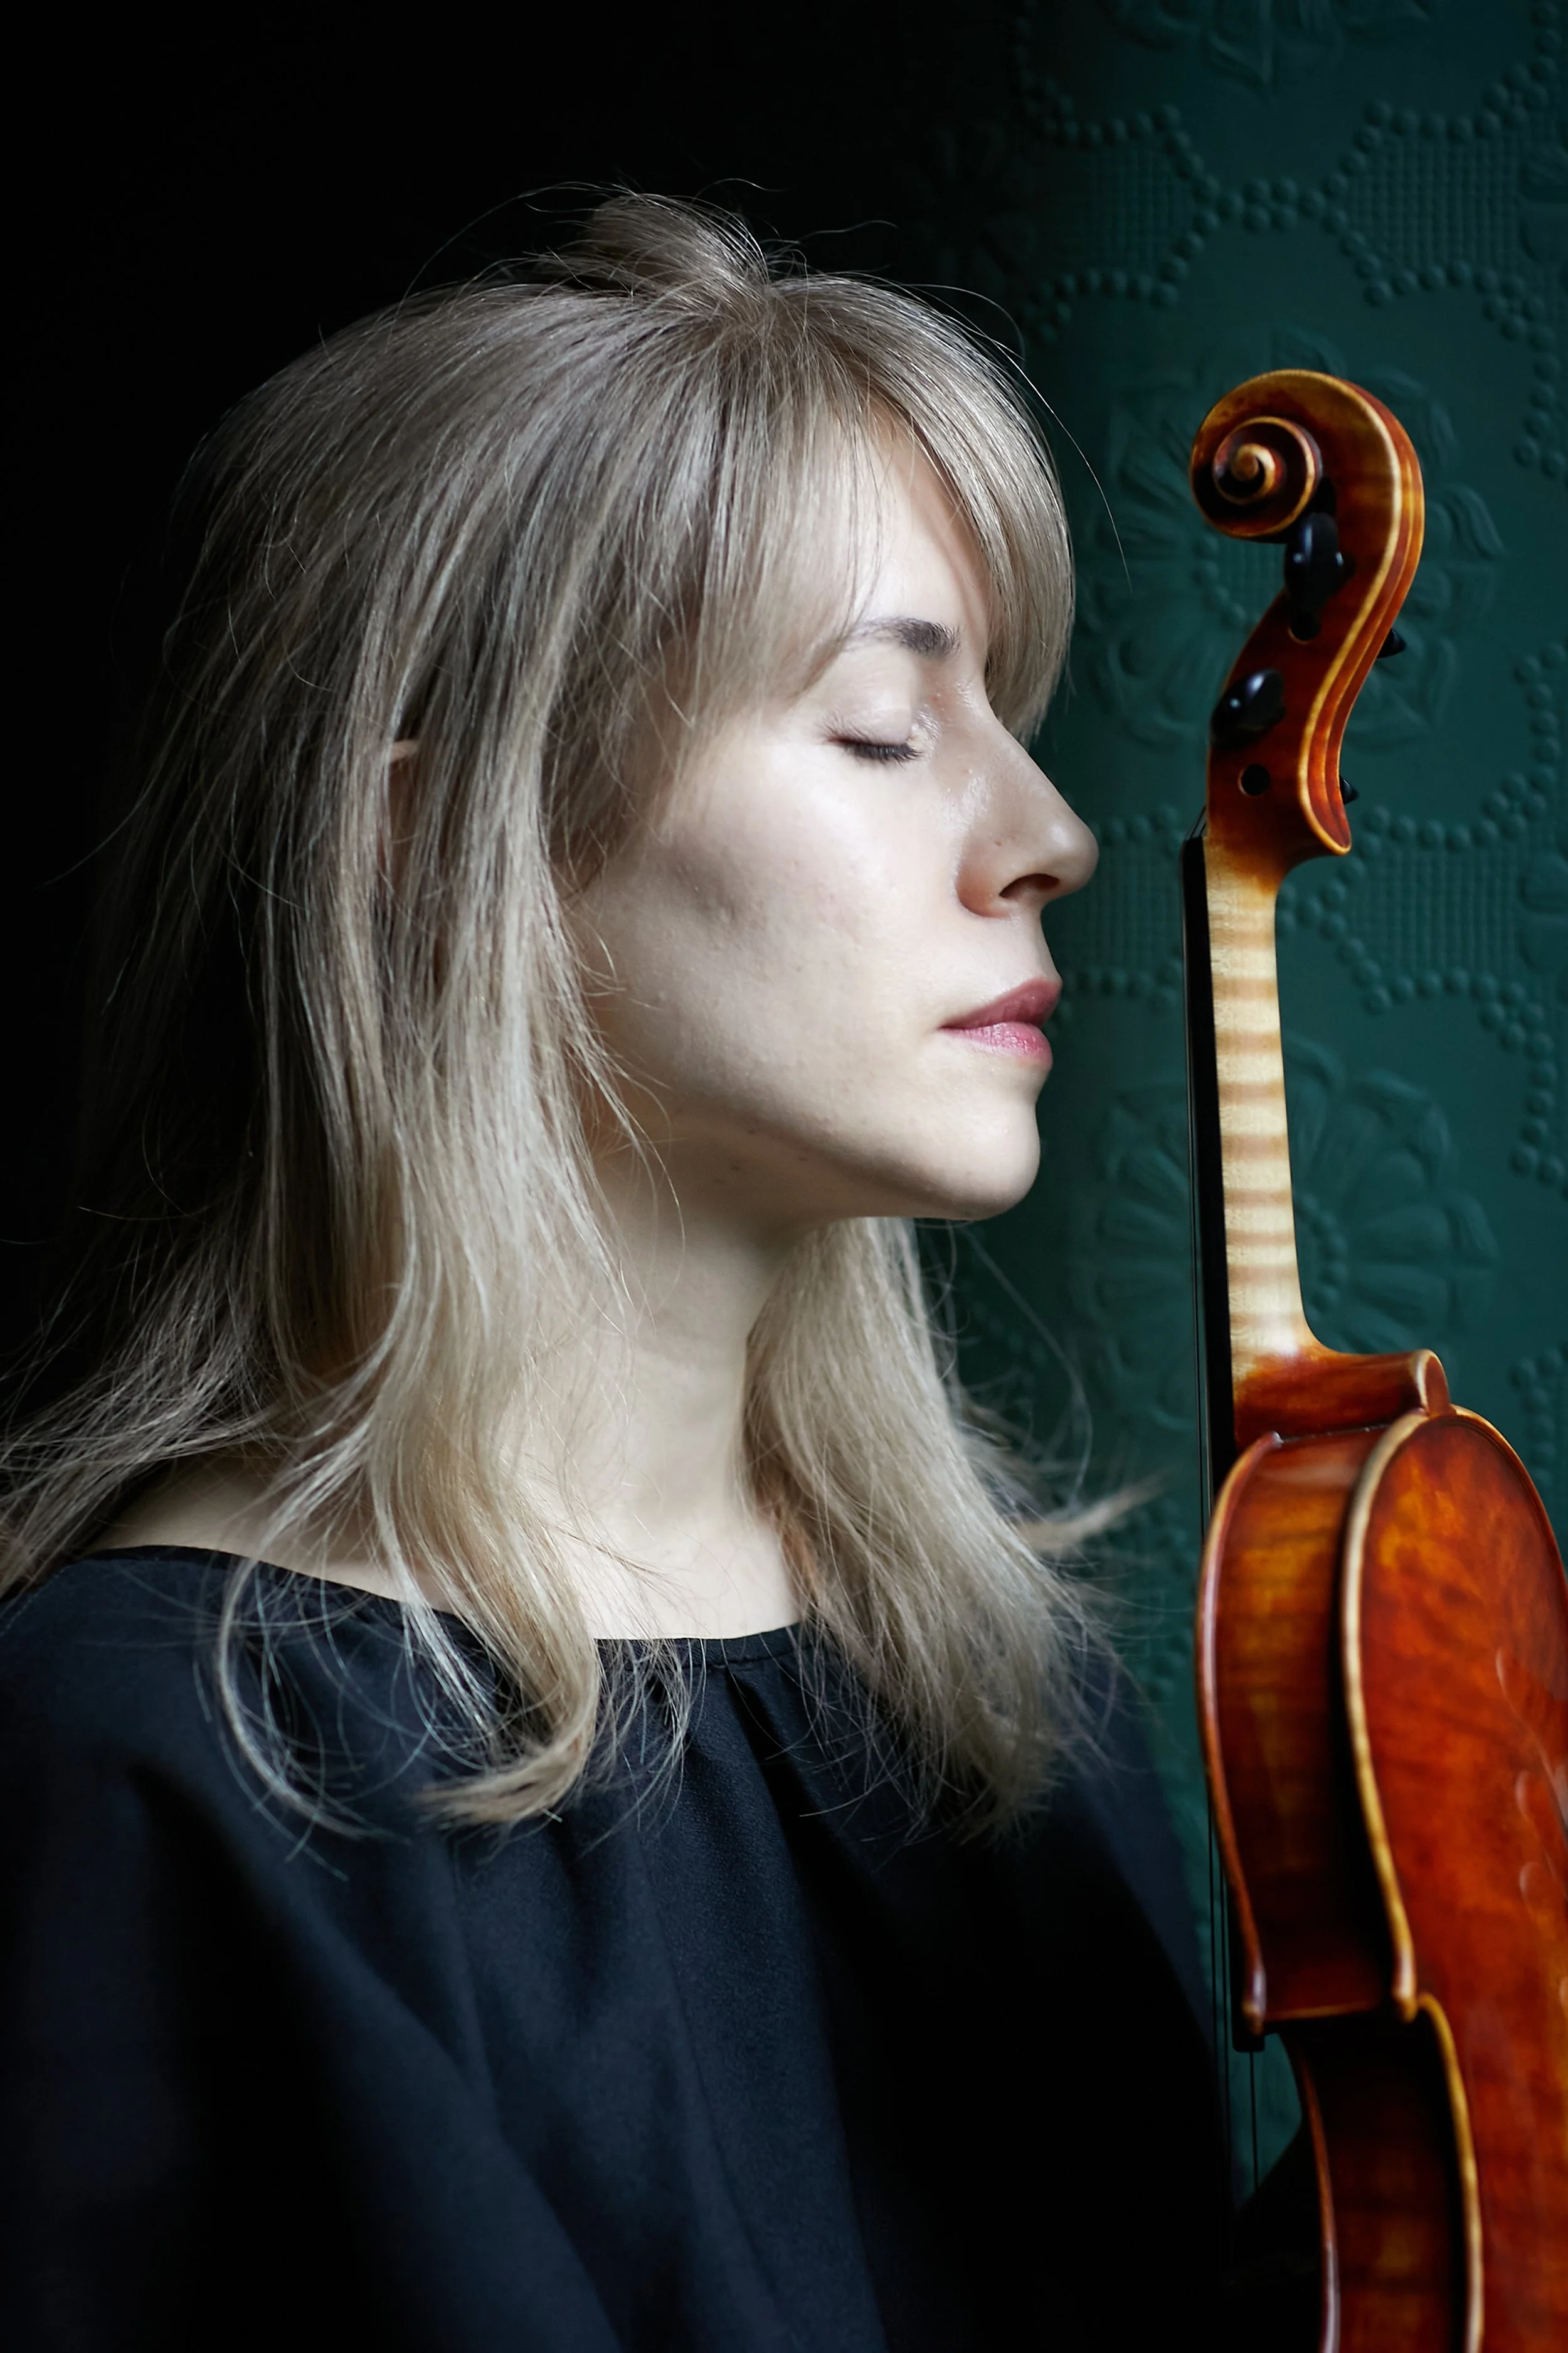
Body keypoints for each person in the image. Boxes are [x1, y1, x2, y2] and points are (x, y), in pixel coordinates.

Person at [0, 196, 1227, 2350]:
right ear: (420, 842)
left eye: (1005, 715)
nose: (1046, 829)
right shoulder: (130, 1780)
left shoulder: (1002, 1712)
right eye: (879, 726)